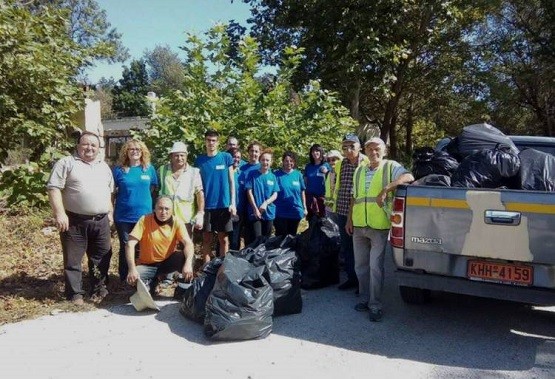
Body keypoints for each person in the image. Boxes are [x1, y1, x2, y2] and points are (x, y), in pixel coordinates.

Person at [347, 137, 414, 321]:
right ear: (365, 151)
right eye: (369, 149)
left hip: (379, 226)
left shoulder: (390, 166)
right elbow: (354, 197)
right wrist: (349, 220)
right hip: (360, 225)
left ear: (384, 150)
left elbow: (409, 177)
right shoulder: (359, 170)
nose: (373, 152)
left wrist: (387, 188)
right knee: (360, 266)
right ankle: (365, 298)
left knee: (375, 266)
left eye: (377, 149)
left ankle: (375, 305)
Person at [47, 131, 114, 305]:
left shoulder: (103, 166)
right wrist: (60, 213)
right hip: (74, 221)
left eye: (94, 145)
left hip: (101, 221)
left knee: (101, 257)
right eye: (85, 144)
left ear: (99, 148)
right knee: (73, 260)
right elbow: (54, 188)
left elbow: (109, 192)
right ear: (78, 146)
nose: (89, 148)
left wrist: (110, 212)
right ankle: (75, 294)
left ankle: (99, 289)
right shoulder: (66, 163)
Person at [125, 196, 195, 295]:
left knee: (188, 257)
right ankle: (152, 284)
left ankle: (182, 291)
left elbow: (188, 243)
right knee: (132, 280)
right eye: (160, 208)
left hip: (167, 263)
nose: (163, 212)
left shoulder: (177, 222)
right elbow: (130, 244)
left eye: (167, 209)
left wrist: (188, 264)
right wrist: (132, 269)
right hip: (147, 265)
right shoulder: (144, 220)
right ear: (155, 208)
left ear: (172, 210)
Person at [113, 139, 158, 282]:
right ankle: (125, 277)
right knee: (126, 245)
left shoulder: (149, 169)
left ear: (142, 152)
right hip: (123, 216)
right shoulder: (119, 170)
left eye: (138, 149)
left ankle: (142, 277)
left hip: (144, 216)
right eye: (131, 149)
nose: (134, 152)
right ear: (126, 151)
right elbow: (112, 192)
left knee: (143, 246)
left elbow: (153, 189)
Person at [332, 133, 369, 291]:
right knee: (347, 246)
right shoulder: (341, 163)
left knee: (361, 248)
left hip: (360, 212)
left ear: (359, 147)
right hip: (341, 209)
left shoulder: (367, 163)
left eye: (352, 146)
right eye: (345, 146)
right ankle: (352, 278)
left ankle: (364, 282)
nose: (348, 150)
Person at [195, 130, 236, 263]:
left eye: (213, 140)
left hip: (223, 205)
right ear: (205, 141)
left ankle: (223, 267)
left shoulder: (226, 157)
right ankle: (207, 269)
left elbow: (231, 181)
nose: (211, 143)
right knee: (206, 239)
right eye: (208, 140)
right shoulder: (200, 160)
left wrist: (232, 202)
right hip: (206, 205)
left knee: (223, 239)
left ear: (218, 142)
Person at [158, 141, 204, 236]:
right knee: (166, 247)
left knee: (185, 246)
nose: (179, 158)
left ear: (186, 156)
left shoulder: (194, 172)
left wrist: (200, 213)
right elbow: (154, 191)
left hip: (186, 219)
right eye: (176, 155)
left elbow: (199, 193)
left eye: (182, 155)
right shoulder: (162, 170)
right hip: (166, 216)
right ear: (171, 156)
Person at [245, 149, 280, 240]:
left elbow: (275, 194)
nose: (265, 162)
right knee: (257, 239)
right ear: (260, 161)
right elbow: (249, 192)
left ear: (271, 162)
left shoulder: (273, 176)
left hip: (269, 212)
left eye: (267, 160)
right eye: (263, 160)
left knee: (266, 241)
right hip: (255, 213)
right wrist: (255, 209)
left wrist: (266, 203)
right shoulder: (252, 174)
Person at [274, 151, 307, 237]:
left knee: (292, 237)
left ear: (294, 162)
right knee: (280, 237)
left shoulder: (298, 174)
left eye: (291, 161)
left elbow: (302, 191)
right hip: (280, 211)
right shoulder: (276, 175)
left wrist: (304, 207)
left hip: (295, 211)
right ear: (283, 162)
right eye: (286, 161)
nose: (289, 163)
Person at [237, 141, 262, 246]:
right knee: (245, 236)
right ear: (248, 152)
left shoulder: (263, 167)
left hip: (257, 207)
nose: (254, 153)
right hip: (242, 206)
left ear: (260, 153)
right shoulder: (242, 168)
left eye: (256, 151)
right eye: (252, 151)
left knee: (257, 237)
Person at [304, 144, 330, 222]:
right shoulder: (308, 166)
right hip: (310, 198)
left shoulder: (326, 165)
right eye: (313, 151)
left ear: (321, 152)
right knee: (311, 221)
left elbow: (332, 180)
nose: (315, 153)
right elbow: (305, 181)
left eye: (317, 151)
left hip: (322, 198)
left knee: (322, 221)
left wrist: (327, 172)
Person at [227, 146, 243, 250]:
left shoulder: (241, 173)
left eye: (238, 157)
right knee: (223, 238)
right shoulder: (224, 172)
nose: (236, 159)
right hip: (226, 209)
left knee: (235, 239)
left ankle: (234, 263)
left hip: (239, 210)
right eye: (234, 157)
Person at [324, 149, 344, 223]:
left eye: (333, 159)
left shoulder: (343, 172)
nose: (331, 162)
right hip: (329, 208)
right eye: (328, 160)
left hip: (341, 208)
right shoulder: (327, 174)